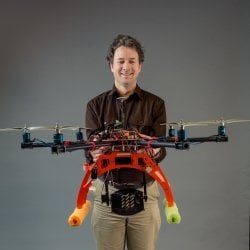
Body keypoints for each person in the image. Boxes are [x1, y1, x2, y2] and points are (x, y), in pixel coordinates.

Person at [85, 34, 167, 250]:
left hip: (145, 193)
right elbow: (89, 149)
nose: (126, 67)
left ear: (140, 66)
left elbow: (161, 150)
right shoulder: (95, 105)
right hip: (106, 195)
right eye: (121, 61)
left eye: (132, 61)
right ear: (110, 65)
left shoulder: (155, 104)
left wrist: (156, 151)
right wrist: (93, 151)